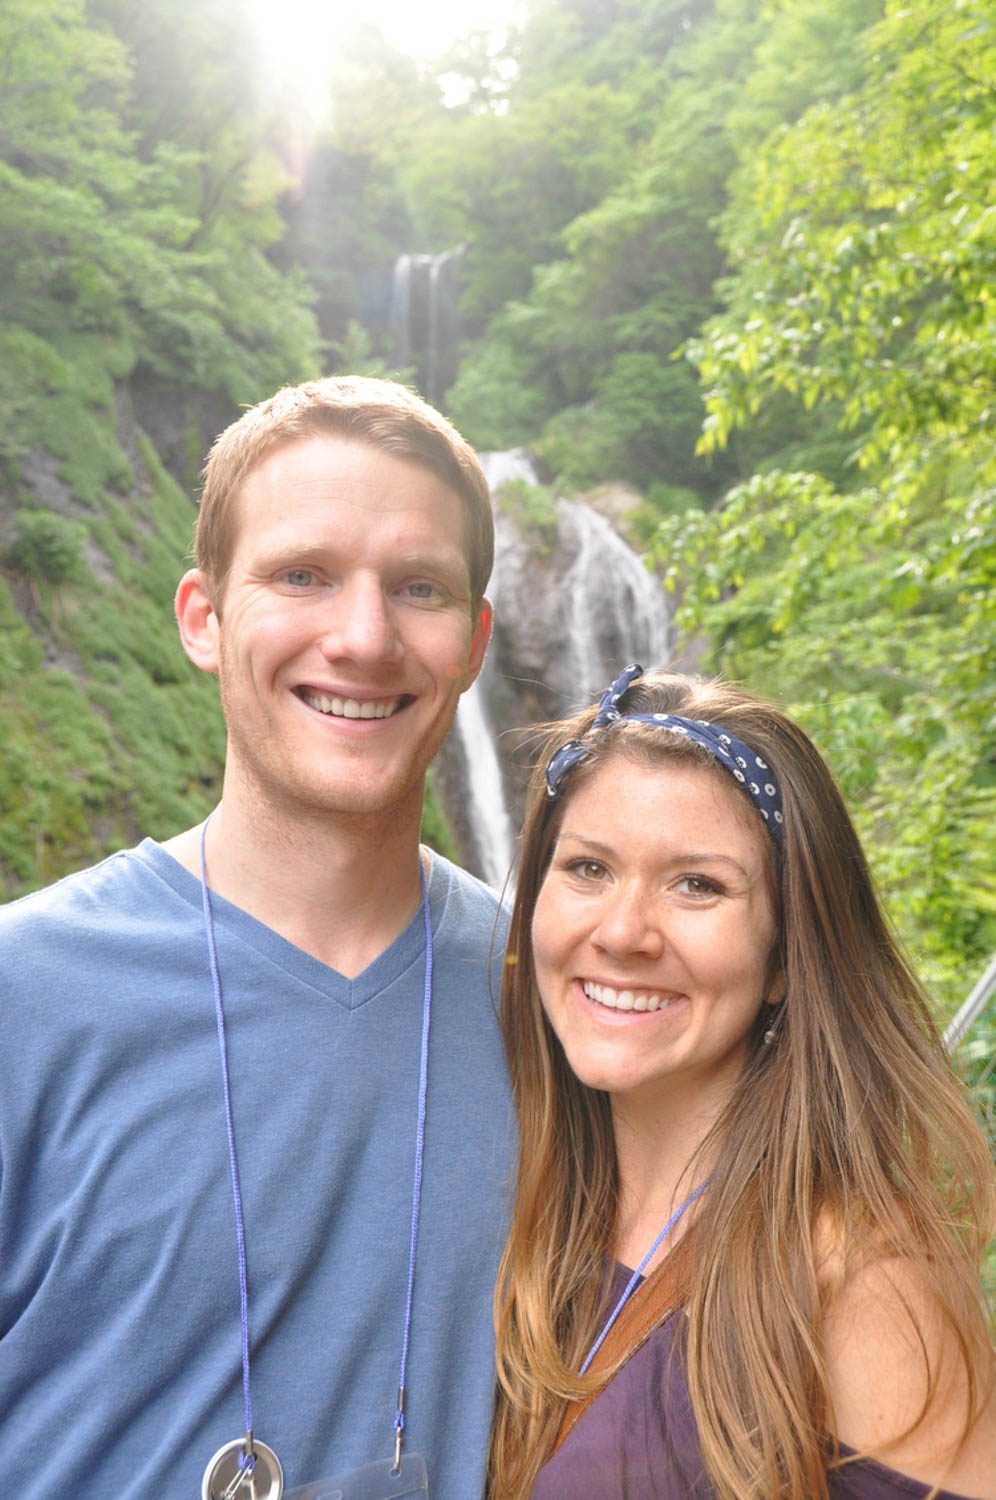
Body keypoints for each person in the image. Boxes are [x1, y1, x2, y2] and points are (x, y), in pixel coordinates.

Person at [0, 376, 513, 1499]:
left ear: (474, 641)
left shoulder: (561, 1001)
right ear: (202, 616)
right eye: (302, 575)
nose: (365, 635)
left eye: (417, 586)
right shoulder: (20, 995)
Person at [490, 664, 995, 1500]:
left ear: (785, 959)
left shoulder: (863, 1284)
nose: (623, 931)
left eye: (698, 885)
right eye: (587, 869)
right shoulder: (528, 1209)